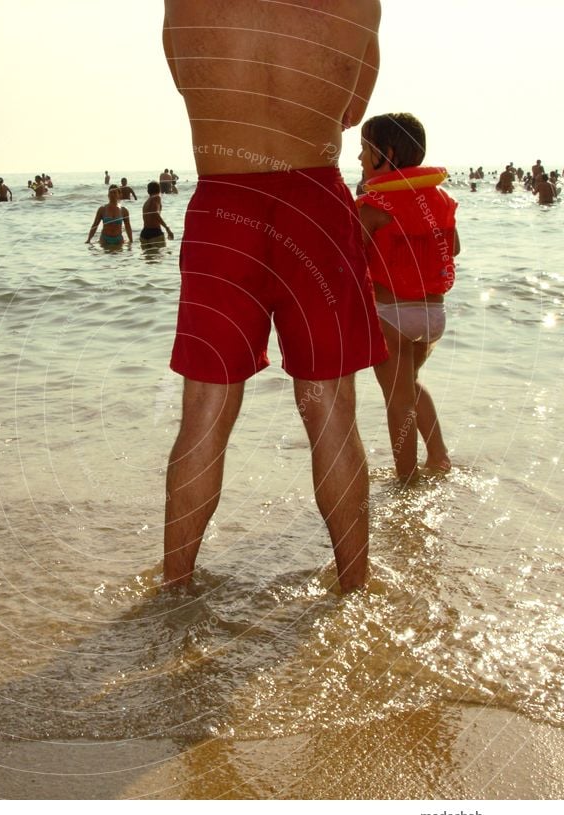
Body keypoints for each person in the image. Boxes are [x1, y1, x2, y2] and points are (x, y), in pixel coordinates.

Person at [161, 0, 385, 594]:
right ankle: (354, 589)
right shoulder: (360, 4)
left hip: (223, 205)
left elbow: (188, 82)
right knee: (332, 410)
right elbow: (352, 112)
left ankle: (174, 588)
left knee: (204, 414)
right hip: (314, 202)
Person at [357, 113, 460, 481]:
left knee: (397, 399)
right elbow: (455, 248)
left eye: (364, 150)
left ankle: (407, 480)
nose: (358, 159)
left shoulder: (373, 207)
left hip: (391, 316)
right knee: (410, 386)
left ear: (385, 153)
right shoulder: (442, 199)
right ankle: (439, 456)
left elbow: (350, 257)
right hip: (434, 317)